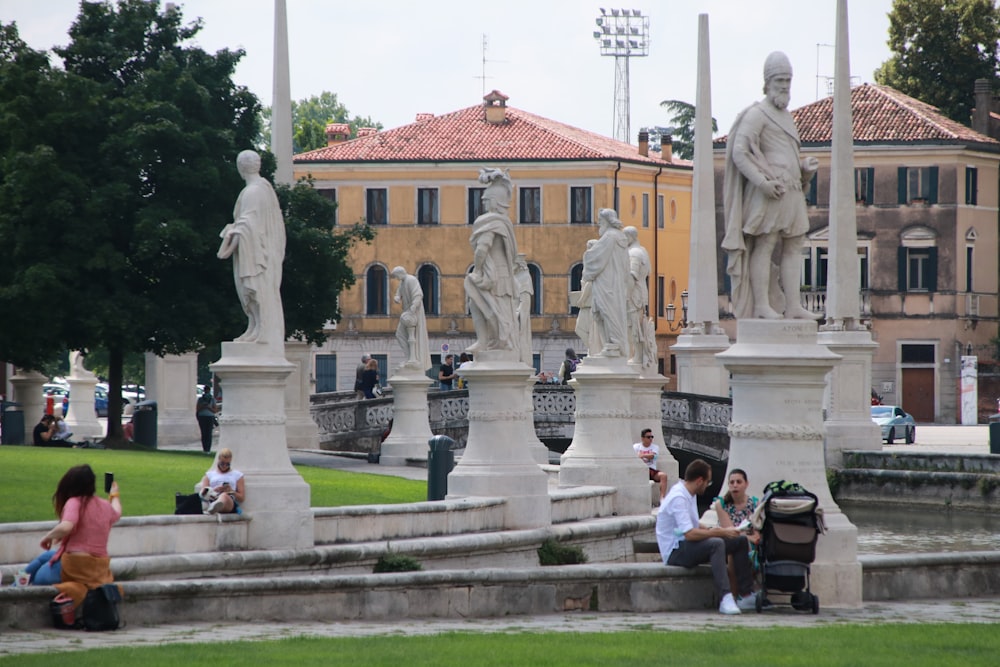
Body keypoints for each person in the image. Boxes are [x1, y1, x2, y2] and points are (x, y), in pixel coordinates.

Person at [722, 51, 820, 321]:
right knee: (765, 244)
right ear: (767, 82)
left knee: (794, 245)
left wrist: (803, 169)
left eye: (788, 80)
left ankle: (794, 306)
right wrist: (763, 183)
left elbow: (783, 154)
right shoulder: (757, 114)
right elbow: (740, 153)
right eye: (780, 79)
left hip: (792, 190)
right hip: (768, 191)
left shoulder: (787, 116)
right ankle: (762, 306)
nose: (785, 85)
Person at [656, 458, 756, 615]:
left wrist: (717, 530)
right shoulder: (679, 497)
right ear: (699, 481)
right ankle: (725, 597)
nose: (707, 486)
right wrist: (720, 532)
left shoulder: (690, 494)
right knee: (716, 543)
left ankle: (746, 594)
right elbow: (689, 534)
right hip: (675, 551)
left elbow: (695, 525)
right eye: (708, 482)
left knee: (739, 540)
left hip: (687, 545)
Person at [217, 149, 286, 351]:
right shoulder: (264, 189)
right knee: (252, 291)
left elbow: (248, 223)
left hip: (255, 253)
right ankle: (255, 327)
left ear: (240, 168)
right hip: (257, 249)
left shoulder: (253, 192)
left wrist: (231, 232)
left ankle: (260, 330)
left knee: (253, 289)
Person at [39, 464, 122, 610]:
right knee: (45, 557)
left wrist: (48, 537)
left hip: (76, 567)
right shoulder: (104, 505)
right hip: (98, 568)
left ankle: (16, 584)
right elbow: (117, 512)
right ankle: (19, 579)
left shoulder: (75, 502)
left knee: (38, 577)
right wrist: (114, 494)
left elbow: (67, 526)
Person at [465, 168, 520, 353]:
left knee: (479, 303)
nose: (484, 204)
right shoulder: (503, 222)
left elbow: (482, 249)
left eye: (486, 200)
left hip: (492, 273)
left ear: (495, 202)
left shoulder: (491, 222)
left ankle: (488, 341)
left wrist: (477, 270)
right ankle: (499, 341)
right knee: (500, 308)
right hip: (503, 273)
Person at [581, 209, 630, 357]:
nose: (598, 224)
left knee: (607, 312)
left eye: (600, 221)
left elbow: (596, 258)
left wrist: (587, 255)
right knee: (605, 313)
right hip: (614, 283)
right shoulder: (619, 237)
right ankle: (611, 344)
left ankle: (613, 344)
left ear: (607, 221)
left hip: (607, 283)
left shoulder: (610, 236)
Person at [713, 469, 761, 596]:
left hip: (752, 545)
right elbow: (731, 533)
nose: (735, 485)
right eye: (732, 482)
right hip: (729, 543)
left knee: (747, 547)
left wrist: (750, 538)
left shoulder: (755, 504)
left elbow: (757, 535)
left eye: (739, 482)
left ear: (746, 484)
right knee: (737, 547)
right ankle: (739, 594)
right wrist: (748, 537)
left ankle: (744, 594)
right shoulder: (721, 504)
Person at [623, 226, 656, 368]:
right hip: (640, 292)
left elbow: (632, 276)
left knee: (633, 326)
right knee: (635, 325)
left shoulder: (634, 253)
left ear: (630, 237)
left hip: (633, 294)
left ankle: (636, 356)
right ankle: (636, 355)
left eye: (625, 237)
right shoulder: (643, 251)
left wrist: (625, 295)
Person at [391, 266, 431, 370]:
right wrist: (397, 297)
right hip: (406, 312)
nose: (396, 278)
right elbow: (398, 293)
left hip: (413, 312)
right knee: (399, 334)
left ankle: (414, 358)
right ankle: (409, 357)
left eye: (396, 276)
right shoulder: (403, 282)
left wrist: (412, 309)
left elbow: (418, 295)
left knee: (413, 336)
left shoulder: (411, 280)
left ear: (400, 273)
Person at [197, 448, 245, 515]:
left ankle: (214, 507)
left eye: (227, 464)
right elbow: (203, 493)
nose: (224, 466)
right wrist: (215, 490)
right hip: (213, 497)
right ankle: (214, 506)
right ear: (218, 460)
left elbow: (241, 498)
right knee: (218, 497)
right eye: (222, 463)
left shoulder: (237, 475)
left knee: (224, 495)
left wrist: (231, 491)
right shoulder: (209, 475)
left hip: (229, 500)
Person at [634, 428, 668, 499]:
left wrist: (642, 455)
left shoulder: (655, 447)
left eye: (651, 437)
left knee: (663, 476)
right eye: (648, 437)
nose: (650, 439)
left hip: (651, 470)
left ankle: (662, 498)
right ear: (643, 438)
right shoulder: (636, 447)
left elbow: (654, 456)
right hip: (640, 469)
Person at [195, 384, 218, 454]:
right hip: (202, 417)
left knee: (208, 433)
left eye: (207, 390)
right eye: (205, 390)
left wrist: (208, 407)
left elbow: (215, 410)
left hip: (210, 417)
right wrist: (203, 406)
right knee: (203, 433)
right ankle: (204, 448)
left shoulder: (212, 399)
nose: (206, 391)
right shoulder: (200, 399)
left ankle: (208, 449)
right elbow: (197, 409)